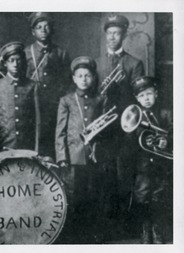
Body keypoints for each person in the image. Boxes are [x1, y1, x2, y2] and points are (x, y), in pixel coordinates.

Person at [95, 14, 145, 224]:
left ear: (124, 35)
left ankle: (125, 222)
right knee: (105, 173)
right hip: (104, 128)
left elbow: (140, 99)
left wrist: (124, 86)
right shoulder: (96, 63)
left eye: (117, 33)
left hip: (126, 127)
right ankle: (107, 222)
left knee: (125, 172)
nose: (113, 37)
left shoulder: (134, 63)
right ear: (106, 35)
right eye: (110, 33)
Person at [55, 56, 109, 243]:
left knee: (94, 195)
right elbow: (60, 131)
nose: (84, 79)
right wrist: (62, 157)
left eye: (87, 75)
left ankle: (93, 235)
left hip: (94, 156)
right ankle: (74, 236)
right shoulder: (66, 100)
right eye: (80, 76)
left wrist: (99, 147)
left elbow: (105, 129)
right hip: (73, 156)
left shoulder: (101, 99)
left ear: (93, 77)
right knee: (73, 196)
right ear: (74, 79)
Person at [129, 76, 172, 243]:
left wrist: (166, 141)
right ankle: (145, 232)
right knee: (142, 198)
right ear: (136, 99)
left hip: (162, 166)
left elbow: (175, 131)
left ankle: (157, 231)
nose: (146, 99)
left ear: (156, 93)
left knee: (159, 198)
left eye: (149, 94)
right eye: (141, 96)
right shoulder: (134, 116)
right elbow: (130, 141)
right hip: (143, 166)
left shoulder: (167, 113)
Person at [25, 12, 72, 159]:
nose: (43, 30)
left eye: (46, 26)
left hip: (54, 105)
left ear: (51, 29)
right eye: (39, 27)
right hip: (32, 104)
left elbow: (67, 81)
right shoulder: (26, 52)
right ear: (33, 32)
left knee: (54, 139)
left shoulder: (61, 53)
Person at [0, 41, 37, 156]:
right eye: (11, 60)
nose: (15, 64)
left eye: (18, 60)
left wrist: (37, 148)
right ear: (5, 64)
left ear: (23, 61)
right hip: (4, 146)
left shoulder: (33, 86)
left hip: (28, 146)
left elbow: (38, 121)